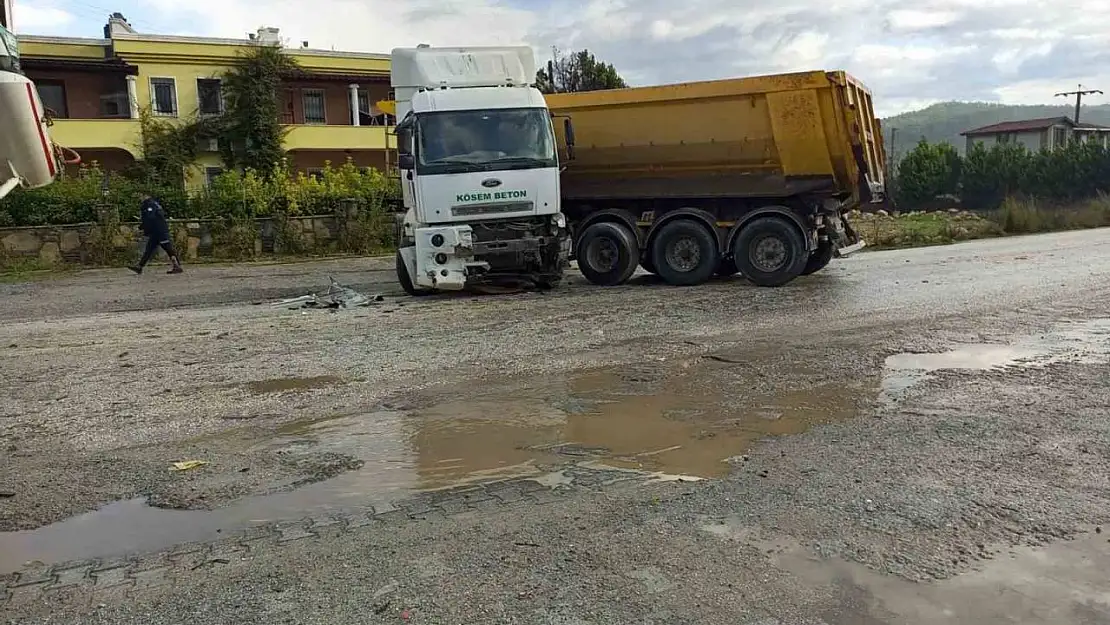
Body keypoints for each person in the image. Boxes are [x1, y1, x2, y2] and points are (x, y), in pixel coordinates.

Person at [129, 192, 183, 275]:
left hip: (159, 231)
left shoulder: (149, 204)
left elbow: (150, 217)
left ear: (145, 195)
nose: (140, 198)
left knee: (168, 248)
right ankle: (139, 266)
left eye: (140, 195)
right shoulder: (154, 203)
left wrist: (142, 227)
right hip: (156, 231)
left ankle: (177, 266)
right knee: (149, 249)